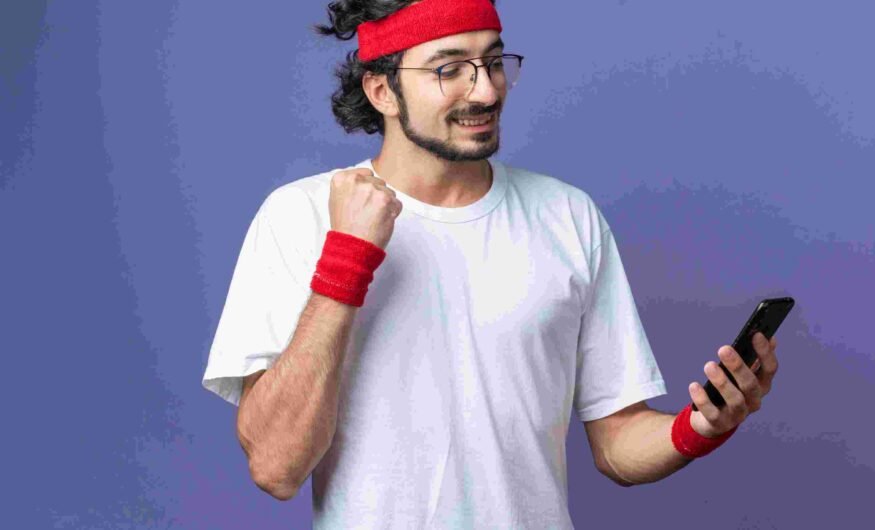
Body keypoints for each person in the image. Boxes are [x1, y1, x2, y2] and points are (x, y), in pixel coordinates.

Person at [200, 0, 781, 528]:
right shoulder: (299, 217)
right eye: (449, 68)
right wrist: (347, 261)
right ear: (381, 91)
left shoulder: (567, 216)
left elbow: (616, 445)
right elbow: (276, 467)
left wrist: (699, 427)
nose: (485, 91)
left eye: (494, 61)